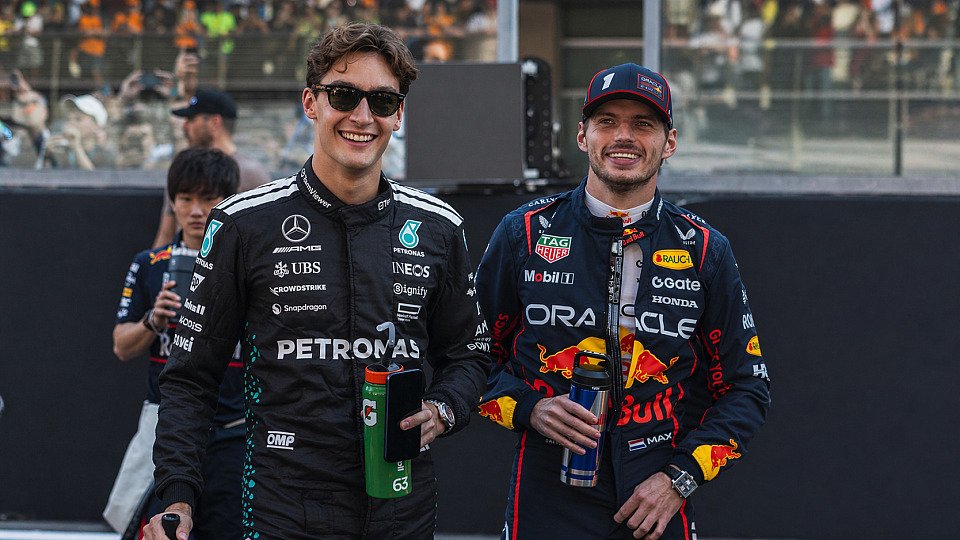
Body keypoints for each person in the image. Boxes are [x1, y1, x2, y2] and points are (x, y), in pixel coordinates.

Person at [142, 22, 492, 540]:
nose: (362, 116)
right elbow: (190, 377)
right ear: (312, 103)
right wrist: (177, 494)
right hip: (285, 501)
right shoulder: (243, 222)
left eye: (381, 100)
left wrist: (443, 409)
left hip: (401, 500)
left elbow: (471, 354)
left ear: (399, 114)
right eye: (344, 95)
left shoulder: (439, 226)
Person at [475, 63, 771, 540]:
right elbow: (468, 359)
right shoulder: (524, 233)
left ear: (669, 142)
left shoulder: (704, 250)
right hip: (548, 482)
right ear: (582, 135)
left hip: (655, 484)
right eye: (607, 121)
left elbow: (747, 388)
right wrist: (530, 407)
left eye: (643, 124)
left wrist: (680, 479)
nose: (623, 137)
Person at [109, 148, 244, 539]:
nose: (197, 210)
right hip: (164, 423)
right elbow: (121, 345)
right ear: (174, 202)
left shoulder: (249, 265)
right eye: (186, 198)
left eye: (209, 198)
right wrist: (155, 318)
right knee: (149, 526)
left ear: (228, 200)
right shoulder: (149, 264)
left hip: (234, 427)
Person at [152, 88, 271, 247]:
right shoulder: (184, 168)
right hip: (184, 266)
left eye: (192, 119)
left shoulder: (251, 173)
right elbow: (166, 234)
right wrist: (153, 268)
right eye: (187, 199)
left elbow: (266, 237)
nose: (185, 126)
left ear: (215, 122)